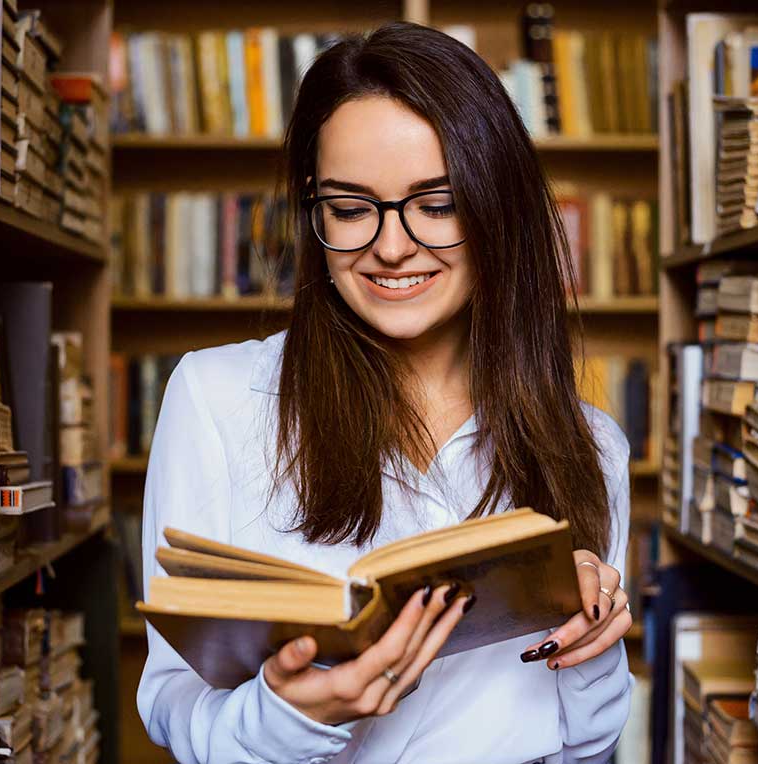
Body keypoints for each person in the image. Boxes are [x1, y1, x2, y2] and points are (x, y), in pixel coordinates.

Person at [137, 20, 633, 764]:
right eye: (350, 207)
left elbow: (587, 748)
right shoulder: (218, 399)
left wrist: (590, 644)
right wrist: (290, 716)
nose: (392, 246)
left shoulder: (593, 446)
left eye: (436, 205)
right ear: (314, 208)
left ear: (497, 209)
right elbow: (171, 703)